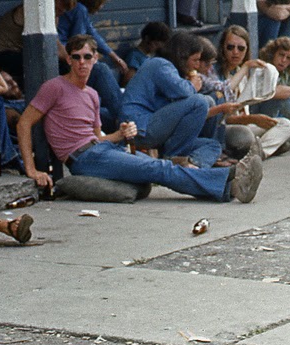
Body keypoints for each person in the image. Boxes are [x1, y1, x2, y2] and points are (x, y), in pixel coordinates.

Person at [19, 35, 263, 204]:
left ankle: (226, 179)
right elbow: (24, 122)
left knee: (159, 166)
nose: (81, 63)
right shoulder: (55, 87)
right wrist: (32, 169)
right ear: (68, 60)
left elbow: (99, 136)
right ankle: (229, 185)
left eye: (87, 56)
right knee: (160, 168)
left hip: (102, 147)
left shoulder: (92, 94)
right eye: (76, 57)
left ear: (95, 58)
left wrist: (121, 133)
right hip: (83, 157)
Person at [121, 31, 222, 168]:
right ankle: (174, 158)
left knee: (213, 145)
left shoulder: (170, 69)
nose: (197, 66)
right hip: (140, 127)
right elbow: (183, 91)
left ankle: (194, 164)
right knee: (200, 102)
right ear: (182, 56)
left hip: (156, 126)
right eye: (195, 60)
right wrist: (192, 85)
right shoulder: (160, 64)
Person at [215, 26, 290, 159]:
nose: (235, 52)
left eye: (240, 48)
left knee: (285, 124)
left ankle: (257, 153)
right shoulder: (217, 73)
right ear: (223, 47)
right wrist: (253, 119)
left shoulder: (241, 71)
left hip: (246, 122)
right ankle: (261, 148)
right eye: (230, 47)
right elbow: (224, 117)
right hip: (227, 128)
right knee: (244, 135)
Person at [57, 0, 127, 130]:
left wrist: (113, 56)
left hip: (64, 60)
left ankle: (121, 120)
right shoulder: (79, 9)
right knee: (100, 69)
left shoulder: (80, 11)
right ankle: (126, 119)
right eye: (100, 4)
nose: (100, 8)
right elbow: (79, 43)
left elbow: (91, 33)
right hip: (63, 63)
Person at [124, 21, 171, 85]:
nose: (157, 48)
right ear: (147, 39)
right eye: (156, 44)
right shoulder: (134, 56)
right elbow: (128, 81)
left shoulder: (155, 55)